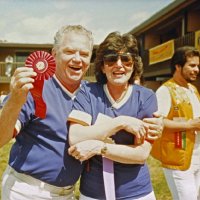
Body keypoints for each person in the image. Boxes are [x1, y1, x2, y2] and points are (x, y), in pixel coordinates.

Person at [0, 25, 94, 200]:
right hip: (27, 191)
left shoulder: (91, 94)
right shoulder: (34, 86)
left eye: (84, 54)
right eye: (69, 51)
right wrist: (15, 100)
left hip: (68, 193)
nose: (77, 59)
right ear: (54, 54)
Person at [68, 32, 163, 200]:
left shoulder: (146, 97)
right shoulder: (88, 92)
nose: (119, 65)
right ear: (103, 66)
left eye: (126, 59)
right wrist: (120, 122)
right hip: (93, 192)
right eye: (111, 59)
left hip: (136, 192)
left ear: (134, 64)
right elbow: (75, 137)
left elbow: (141, 154)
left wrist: (99, 147)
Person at [147, 46, 200, 200]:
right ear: (178, 66)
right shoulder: (165, 91)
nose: (197, 69)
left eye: (198, 66)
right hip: (178, 158)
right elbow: (158, 122)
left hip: (196, 155)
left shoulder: (193, 89)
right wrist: (190, 125)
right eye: (192, 65)